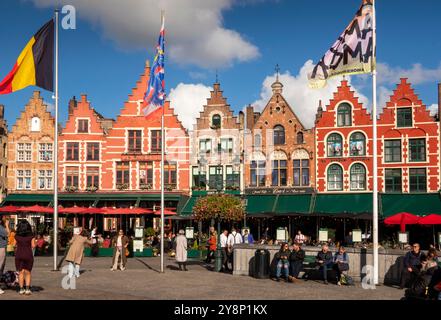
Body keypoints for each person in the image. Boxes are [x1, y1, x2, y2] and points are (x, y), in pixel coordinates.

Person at [14, 220, 36, 295]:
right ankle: (27, 289)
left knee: (21, 272)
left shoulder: (16, 236)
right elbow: (33, 246)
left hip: (19, 255)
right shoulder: (31, 236)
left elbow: (14, 245)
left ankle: (21, 289)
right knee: (28, 272)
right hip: (28, 255)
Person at [0, 217, 10, 295]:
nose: (6, 219)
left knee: (2, 266)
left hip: (2, 247)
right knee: (0, 266)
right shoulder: (1, 228)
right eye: (4, 218)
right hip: (1, 248)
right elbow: (8, 233)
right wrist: (7, 225)